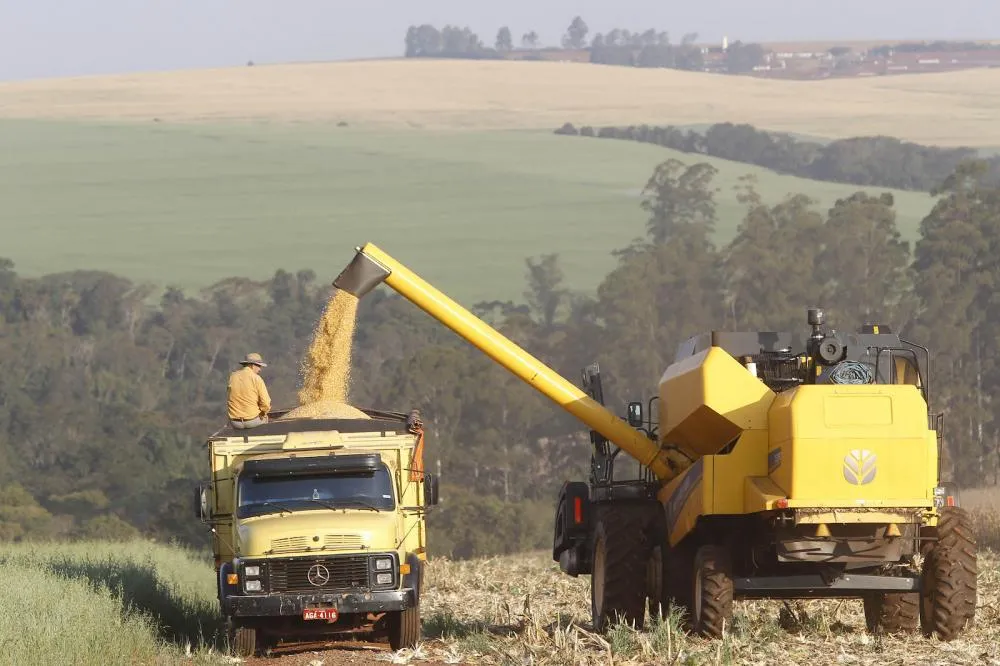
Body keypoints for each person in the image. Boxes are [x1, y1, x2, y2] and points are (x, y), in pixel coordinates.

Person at [227, 352, 272, 429]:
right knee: (267, 419)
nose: (260, 369)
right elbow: (266, 403)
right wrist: (263, 413)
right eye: (259, 366)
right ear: (252, 365)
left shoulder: (232, 376)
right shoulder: (256, 378)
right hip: (252, 421)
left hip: (234, 422)